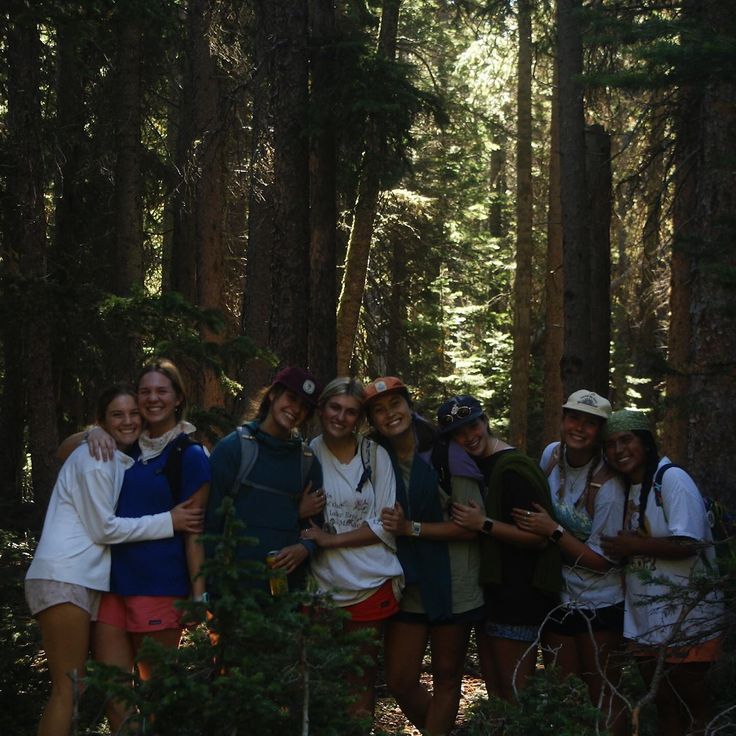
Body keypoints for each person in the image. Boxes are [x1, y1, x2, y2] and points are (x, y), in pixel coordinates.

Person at [25, 383, 203, 736]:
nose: (128, 421)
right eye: (116, 415)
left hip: (83, 580)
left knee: (78, 687)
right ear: (102, 422)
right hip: (64, 577)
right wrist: (170, 520)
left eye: (133, 413)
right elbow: (104, 529)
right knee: (68, 689)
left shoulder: (119, 457)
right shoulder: (95, 458)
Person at [86, 360, 210, 733]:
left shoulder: (189, 454)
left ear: (178, 399)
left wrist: (198, 596)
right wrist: (92, 432)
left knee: (156, 698)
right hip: (111, 587)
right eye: (145, 391)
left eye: (161, 391)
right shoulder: (126, 444)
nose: (152, 398)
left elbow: (195, 530)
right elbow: (64, 452)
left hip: (160, 588)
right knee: (115, 692)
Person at [365, 377, 485, 736]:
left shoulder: (445, 454)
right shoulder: (374, 457)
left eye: (395, 405)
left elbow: (469, 526)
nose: (390, 415)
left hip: (455, 581)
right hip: (408, 581)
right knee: (401, 680)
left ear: (409, 404)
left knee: (447, 677)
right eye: (379, 411)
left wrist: (411, 528)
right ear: (372, 421)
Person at [600, 409, 724, 736]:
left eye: (626, 440)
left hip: (690, 618)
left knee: (693, 709)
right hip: (646, 623)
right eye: (610, 444)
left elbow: (689, 543)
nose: (618, 450)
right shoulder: (624, 488)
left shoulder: (671, 479)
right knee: (665, 705)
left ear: (645, 441)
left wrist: (634, 547)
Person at [510, 390, 626, 735]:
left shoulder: (610, 486)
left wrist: (554, 531)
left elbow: (602, 562)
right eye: (574, 418)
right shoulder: (551, 456)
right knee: (565, 693)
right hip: (556, 597)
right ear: (562, 419)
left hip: (600, 602)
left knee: (603, 691)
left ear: (601, 432)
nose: (580, 428)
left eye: (591, 423)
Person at [299, 377, 404, 723]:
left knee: (359, 681)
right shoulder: (305, 455)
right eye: (335, 408)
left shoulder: (375, 456)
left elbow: (384, 522)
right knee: (315, 677)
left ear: (359, 419)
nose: (340, 417)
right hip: (320, 587)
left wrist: (331, 540)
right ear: (321, 409)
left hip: (370, 584)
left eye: (350, 412)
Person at [446, 394, 561, 702]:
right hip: (495, 594)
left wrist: (482, 523)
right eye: (459, 432)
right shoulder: (478, 467)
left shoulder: (512, 470)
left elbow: (539, 537)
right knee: (497, 692)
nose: (469, 437)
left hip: (519, 595)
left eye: (473, 426)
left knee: (515, 693)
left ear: (485, 422)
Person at [205, 366, 324, 596]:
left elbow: (315, 528)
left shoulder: (307, 462)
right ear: (273, 394)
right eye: (291, 398)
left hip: (285, 598)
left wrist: (305, 547)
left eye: (304, 406)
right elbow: (210, 523)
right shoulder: (233, 449)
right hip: (233, 594)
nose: (295, 409)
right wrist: (210, 588)